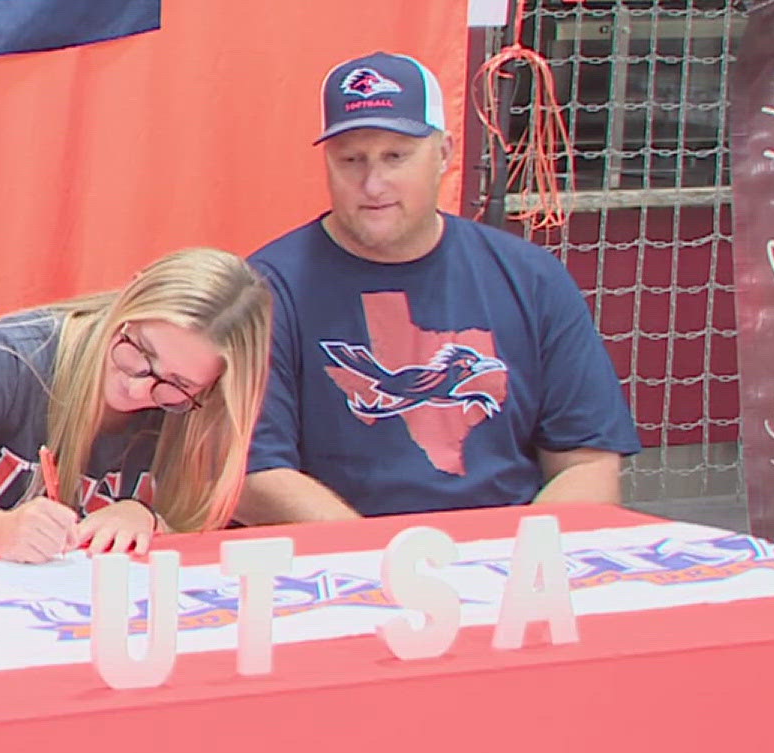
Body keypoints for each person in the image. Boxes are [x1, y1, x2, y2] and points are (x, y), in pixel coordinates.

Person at [238, 51, 641, 524]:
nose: (373, 184)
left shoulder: (531, 278)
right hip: (342, 561)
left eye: (396, 156)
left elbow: (588, 463)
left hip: (505, 556)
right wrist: (386, 563)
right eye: (351, 160)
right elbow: (251, 476)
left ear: (445, 153)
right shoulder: (264, 290)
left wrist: (510, 562)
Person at [0, 248, 272, 562]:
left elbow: (200, 525)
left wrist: (148, 520)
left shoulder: (200, 414)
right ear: (126, 302)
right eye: (137, 352)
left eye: (176, 386)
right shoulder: (7, 359)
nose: (140, 391)